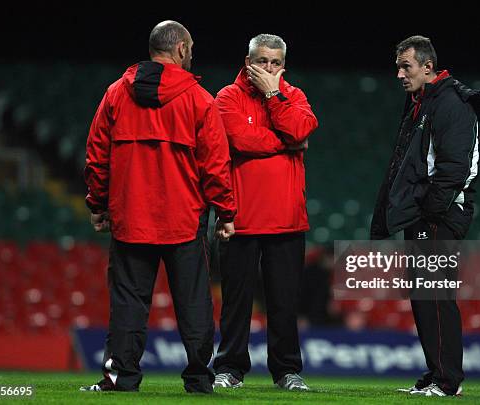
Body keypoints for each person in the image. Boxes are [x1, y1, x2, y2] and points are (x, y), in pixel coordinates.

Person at [80, 20, 236, 394]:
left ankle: (121, 379)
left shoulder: (117, 93)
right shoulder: (200, 99)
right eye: (191, 48)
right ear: (181, 49)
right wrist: (226, 212)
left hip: (130, 216)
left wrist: (98, 203)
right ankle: (200, 380)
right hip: (184, 221)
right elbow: (215, 163)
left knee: (128, 302)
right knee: (195, 303)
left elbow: (96, 156)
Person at [370, 35, 480, 397]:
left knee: (435, 296)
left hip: (439, 214)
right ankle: (438, 373)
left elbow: (456, 167)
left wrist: (431, 212)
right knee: (426, 296)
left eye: (406, 67)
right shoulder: (424, 102)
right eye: (398, 67)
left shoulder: (449, 103)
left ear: (427, 66)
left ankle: (447, 380)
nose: (400, 75)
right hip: (427, 214)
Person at [211, 34, 318, 391]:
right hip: (239, 217)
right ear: (248, 61)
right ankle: (230, 367)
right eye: (262, 62)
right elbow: (239, 140)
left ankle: (287, 371)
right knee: (236, 302)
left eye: (275, 63)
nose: (268, 69)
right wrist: (287, 142)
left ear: (283, 64)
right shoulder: (227, 97)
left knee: (284, 302)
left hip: (287, 218)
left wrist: (274, 96)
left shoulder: (295, 96)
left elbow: (301, 128)